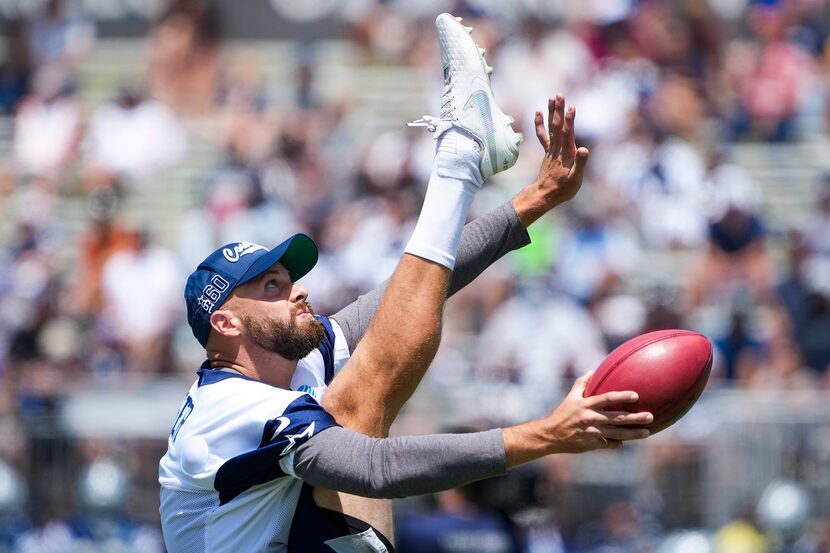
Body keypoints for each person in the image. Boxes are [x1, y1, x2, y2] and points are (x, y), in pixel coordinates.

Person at [158, 14, 653, 553]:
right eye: (272, 289)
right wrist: (546, 435)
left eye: (289, 279)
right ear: (225, 323)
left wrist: (535, 202)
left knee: (367, 370)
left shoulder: (286, 368)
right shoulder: (224, 410)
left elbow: (413, 292)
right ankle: (460, 154)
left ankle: (462, 154)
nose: (298, 290)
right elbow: (375, 468)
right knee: (349, 408)